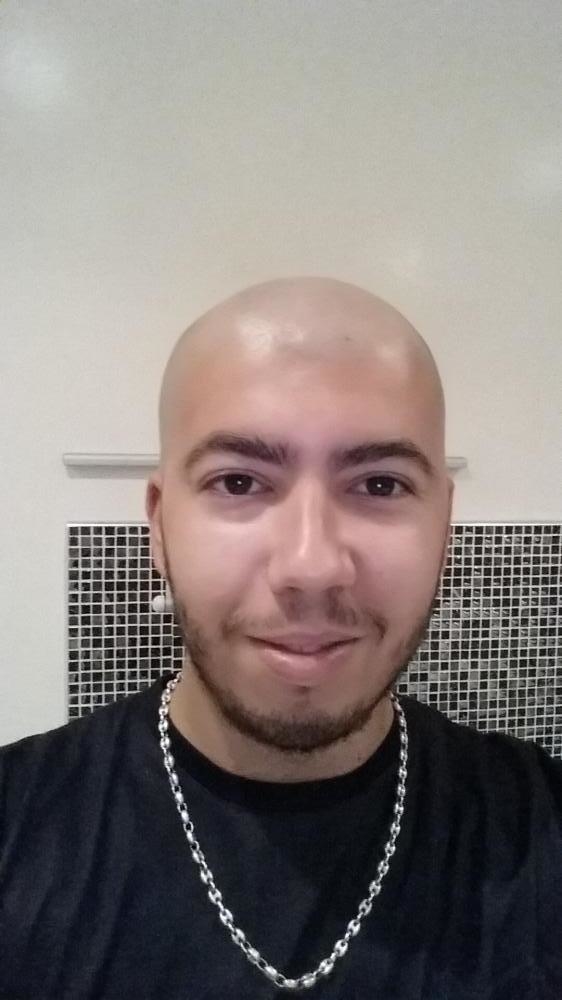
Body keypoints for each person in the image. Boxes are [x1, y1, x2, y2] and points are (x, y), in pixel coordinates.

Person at [0, 277, 560, 1000]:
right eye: (239, 482)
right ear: (160, 525)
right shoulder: (18, 832)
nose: (311, 566)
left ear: (444, 525)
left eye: (380, 485)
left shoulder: (539, 835)